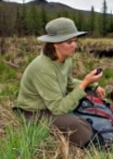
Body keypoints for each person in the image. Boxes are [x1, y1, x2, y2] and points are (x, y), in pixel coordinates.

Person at [14, 17, 106, 148]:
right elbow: (57, 108)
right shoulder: (43, 68)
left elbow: (68, 82)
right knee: (76, 125)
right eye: (69, 42)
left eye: (75, 41)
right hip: (34, 112)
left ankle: (99, 125)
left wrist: (93, 84)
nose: (75, 45)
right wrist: (85, 82)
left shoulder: (66, 59)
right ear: (55, 44)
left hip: (53, 104)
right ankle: (95, 141)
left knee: (90, 93)